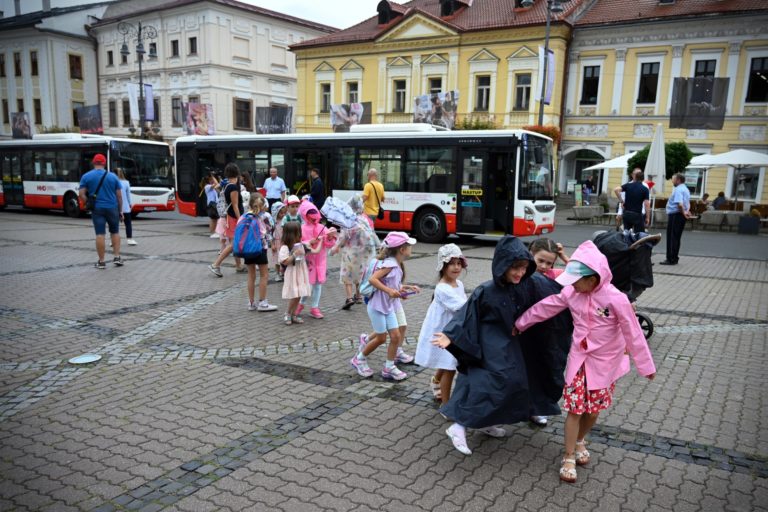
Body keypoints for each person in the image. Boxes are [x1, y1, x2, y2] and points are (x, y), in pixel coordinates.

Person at [514, 240, 656, 483]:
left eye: (576, 280)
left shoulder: (616, 298)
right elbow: (546, 307)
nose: (571, 284)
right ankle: (568, 455)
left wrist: (646, 365)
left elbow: (633, 331)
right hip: (579, 360)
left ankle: (580, 440)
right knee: (575, 409)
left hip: (605, 364)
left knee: (593, 410)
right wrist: (520, 323)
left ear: (593, 278)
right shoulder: (571, 293)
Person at [431, 236, 569, 455]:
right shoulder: (486, 290)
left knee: (511, 381)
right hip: (488, 341)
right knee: (489, 381)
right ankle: (458, 426)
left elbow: (557, 298)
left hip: (508, 341)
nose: (520, 273)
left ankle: (486, 422)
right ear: (503, 265)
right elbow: (468, 314)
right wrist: (451, 336)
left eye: (524, 268)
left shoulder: (527, 284)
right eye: (515, 268)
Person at [350, 231, 416, 381]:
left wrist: (407, 288)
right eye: (409, 245)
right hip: (377, 307)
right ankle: (359, 359)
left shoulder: (397, 265)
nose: (411, 248)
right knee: (381, 338)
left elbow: (394, 285)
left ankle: (389, 367)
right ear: (402, 249)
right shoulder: (390, 265)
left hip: (388, 307)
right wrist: (389, 291)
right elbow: (373, 280)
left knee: (395, 336)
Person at [526, 238, 572, 426]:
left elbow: (578, 274)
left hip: (550, 335)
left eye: (549, 262)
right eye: (540, 261)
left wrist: (563, 255)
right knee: (526, 372)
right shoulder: (522, 274)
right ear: (531, 255)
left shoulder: (556, 275)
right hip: (528, 332)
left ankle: (538, 408)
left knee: (545, 372)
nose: (544, 266)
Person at [415, 244, 468, 404]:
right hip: (443, 332)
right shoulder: (442, 288)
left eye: (459, 263)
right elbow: (462, 306)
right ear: (443, 266)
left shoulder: (459, 284)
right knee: (450, 367)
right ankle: (446, 405)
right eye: (452, 263)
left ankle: (436, 380)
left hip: (453, 331)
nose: (456, 267)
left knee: (448, 362)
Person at [331, 195, 380, 310]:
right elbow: (372, 234)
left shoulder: (348, 220)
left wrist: (334, 248)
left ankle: (349, 298)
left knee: (347, 275)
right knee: (360, 273)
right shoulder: (364, 219)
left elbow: (343, 238)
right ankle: (358, 296)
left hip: (350, 252)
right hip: (363, 253)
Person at [79, 154, 124, 269]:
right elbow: (119, 196)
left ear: (94, 163)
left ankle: (102, 261)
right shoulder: (113, 177)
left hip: (97, 209)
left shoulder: (86, 176)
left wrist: (88, 203)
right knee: (115, 232)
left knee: (100, 234)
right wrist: (121, 211)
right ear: (104, 163)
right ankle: (117, 257)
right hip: (112, 208)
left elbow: (81, 194)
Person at [295, 199, 337, 319]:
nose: (314, 218)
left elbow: (329, 244)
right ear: (305, 215)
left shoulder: (322, 228)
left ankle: (315, 307)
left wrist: (330, 237)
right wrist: (309, 242)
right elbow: (298, 244)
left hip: (320, 262)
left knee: (318, 285)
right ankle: (301, 304)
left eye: (315, 215)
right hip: (308, 262)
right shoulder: (302, 228)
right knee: (307, 285)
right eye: (310, 215)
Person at [243, 194, 278, 312]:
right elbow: (271, 230)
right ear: (263, 205)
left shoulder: (245, 216)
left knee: (251, 275)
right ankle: (262, 302)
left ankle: (251, 303)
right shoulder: (266, 216)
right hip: (260, 248)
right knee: (264, 275)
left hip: (247, 249)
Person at [208, 164, 243, 277]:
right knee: (233, 244)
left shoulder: (226, 185)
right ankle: (215, 264)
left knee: (234, 243)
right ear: (237, 173)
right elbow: (235, 205)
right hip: (233, 218)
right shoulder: (233, 187)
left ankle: (238, 266)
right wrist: (240, 219)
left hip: (229, 217)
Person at [279, 221, 311, 325]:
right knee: (294, 294)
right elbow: (284, 261)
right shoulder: (285, 247)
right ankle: (288, 313)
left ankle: (294, 314)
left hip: (300, 271)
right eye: (298, 233)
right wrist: (294, 255)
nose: (300, 235)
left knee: (299, 294)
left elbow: (308, 251)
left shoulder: (300, 245)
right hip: (292, 273)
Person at [661, 173, 691, 266]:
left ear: (678, 180)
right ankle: (675, 258)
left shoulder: (678, 189)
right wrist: (686, 212)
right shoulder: (685, 189)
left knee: (672, 237)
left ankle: (670, 259)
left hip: (675, 215)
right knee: (677, 237)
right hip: (680, 215)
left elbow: (680, 204)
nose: (672, 181)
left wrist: (683, 212)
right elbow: (687, 203)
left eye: (673, 179)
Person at [614, 168, 650, 232]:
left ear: (635, 177)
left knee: (626, 233)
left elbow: (616, 190)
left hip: (627, 213)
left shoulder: (628, 185)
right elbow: (647, 204)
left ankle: (626, 241)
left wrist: (621, 201)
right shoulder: (645, 189)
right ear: (643, 179)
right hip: (637, 214)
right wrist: (647, 217)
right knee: (639, 234)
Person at [116, 168, 137, 246]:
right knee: (128, 223)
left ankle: (113, 240)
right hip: (125, 206)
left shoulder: (112, 182)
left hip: (115, 206)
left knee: (115, 224)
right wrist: (130, 203)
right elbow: (128, 195)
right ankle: (129, 239)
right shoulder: (126, 182)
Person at [271, 201, 287, 281]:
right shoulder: (273, 222)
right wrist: (272, 244)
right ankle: (277, 273)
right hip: (276, 243)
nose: (283, 215)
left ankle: (284, 272)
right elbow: (270, 234)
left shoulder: (285, 221)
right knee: (277, 260)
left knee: (284, 258)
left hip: (284, 243)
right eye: (281, 213)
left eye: (284, 213)